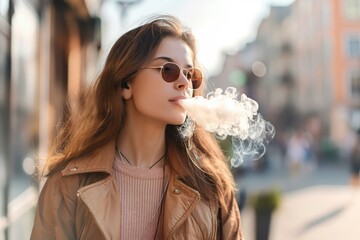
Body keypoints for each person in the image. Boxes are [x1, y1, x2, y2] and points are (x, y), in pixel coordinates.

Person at [30, 15, 243, 239]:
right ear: (126, 84)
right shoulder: (67, 184)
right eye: (168, 70)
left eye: (190, 74)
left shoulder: (211, 186)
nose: (183, 82)